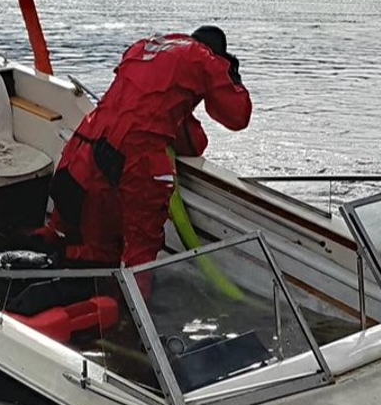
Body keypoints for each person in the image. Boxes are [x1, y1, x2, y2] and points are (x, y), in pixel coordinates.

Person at [38, 26, 251, 271]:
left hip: (86, 143)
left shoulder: (147, 46)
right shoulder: (204, 58)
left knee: (76, 229)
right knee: (140, 247)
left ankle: (43, 270)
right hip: (136, 155)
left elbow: (177, 128)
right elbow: (237, 116)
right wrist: (231, 75)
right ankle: (131, 303)